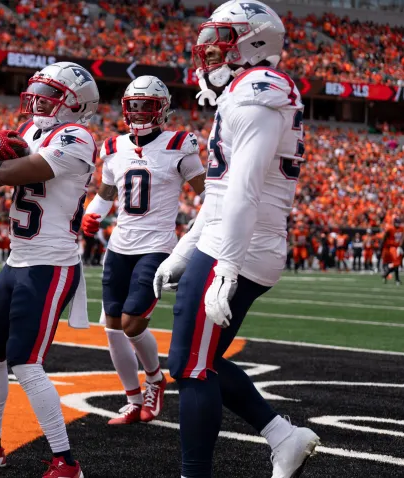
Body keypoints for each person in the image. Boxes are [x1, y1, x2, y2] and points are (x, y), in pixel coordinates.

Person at [153, 2, 320, 476]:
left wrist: (225, 266)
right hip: (232, 238)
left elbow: (245, 188)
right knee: (194, 360)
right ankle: (284, 437)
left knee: (193, 368)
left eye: (221, 38)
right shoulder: (244, 91)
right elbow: (222, 192)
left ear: (254, 41)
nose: (208, 50)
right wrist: (184, 251)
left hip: (241, 246)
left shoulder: (260, 90)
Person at [0, 61, 99, 478]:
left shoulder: (77, 136)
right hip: (17, 260)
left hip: (51, 264)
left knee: (26, 362)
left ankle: (66, 462)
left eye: (50, 95)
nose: (37, 101)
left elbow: (17, 171)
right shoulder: (32, 130)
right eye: (37, 92)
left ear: (74, 103)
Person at [81, 75, 205, 425]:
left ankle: (154, 378)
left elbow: (207, 195)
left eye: (146, 106)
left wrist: (197, 237)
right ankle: (133, 399)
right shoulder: (113, 147)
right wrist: (92, 216)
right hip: (120, 245)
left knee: (133, 321)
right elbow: (106, 195)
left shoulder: (178, 144)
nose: (137, 112)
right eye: (133, 106)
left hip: (156, 245)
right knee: (112, 325)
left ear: (162, 108)